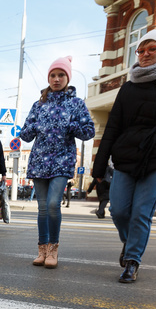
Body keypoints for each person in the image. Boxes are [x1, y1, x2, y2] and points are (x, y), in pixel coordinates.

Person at [92, 29, 156, 283]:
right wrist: (98, 166)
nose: (146, 54)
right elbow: (113, 127)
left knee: (141, 211)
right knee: (118, 210)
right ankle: (130, 245)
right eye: (141, 50)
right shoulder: (128, 87)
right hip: (127, 156)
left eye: (152, 49)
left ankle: (132, 260)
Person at [21, 56, 95, 268]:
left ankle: (53, 249)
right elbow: (25, 134)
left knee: (53, 204)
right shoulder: (39, 104)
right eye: (53, 75)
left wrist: (72, 126)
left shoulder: (76, 104)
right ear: (48, 78)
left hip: (62, 160)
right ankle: (42, 250)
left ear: (67, 78)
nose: (56, 79)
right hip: (39, 161)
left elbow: (89, 131)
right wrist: (32, 128)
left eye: (61, 75)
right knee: (43, 208)